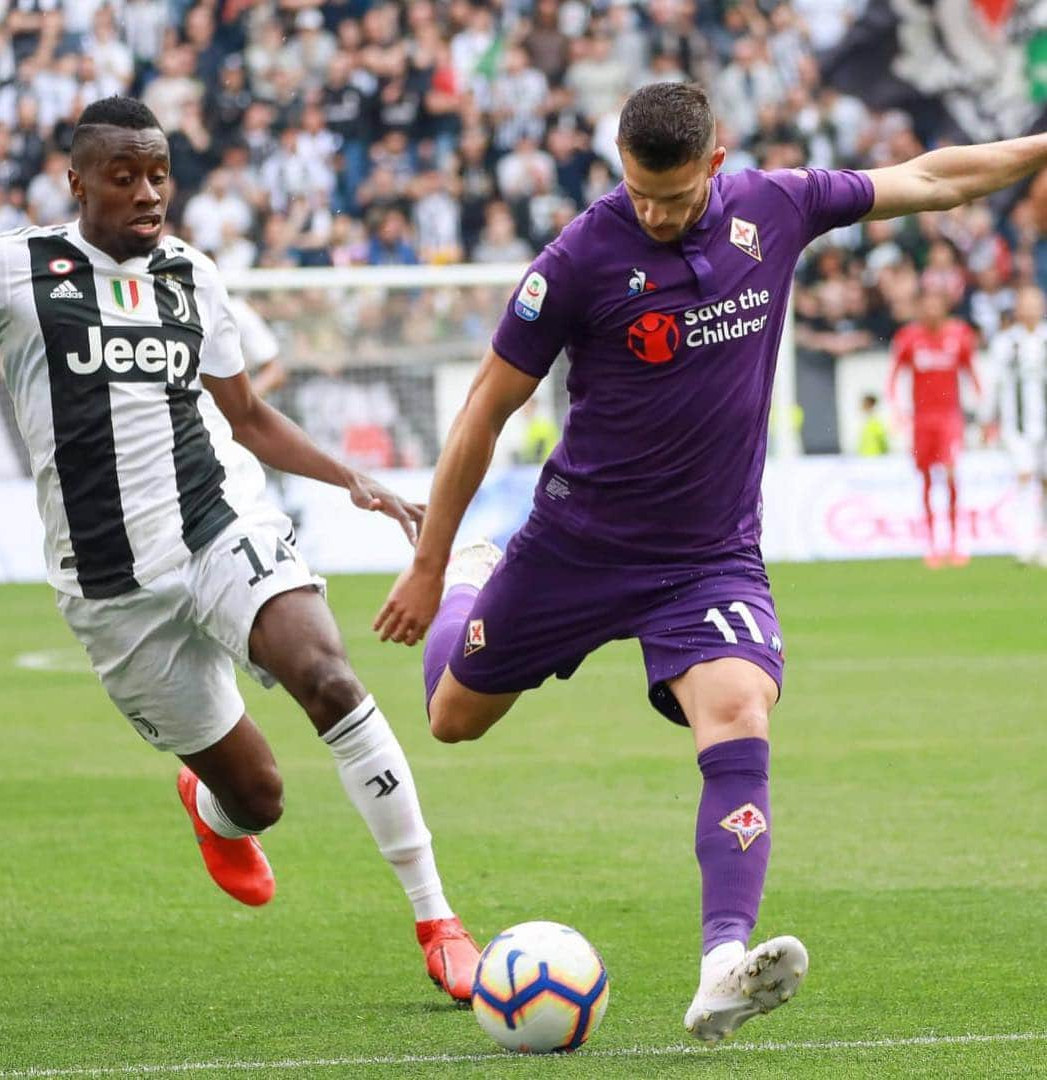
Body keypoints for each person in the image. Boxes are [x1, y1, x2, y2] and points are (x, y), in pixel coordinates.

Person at [373, 80, 1047, 1042]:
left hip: (708, 557)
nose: (652, 213)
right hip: (577, 546)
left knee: (738, 711)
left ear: (716, 164)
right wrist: (434, 563)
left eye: (675, 197)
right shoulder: (576, 260)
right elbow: (486, 407)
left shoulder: (779, 207)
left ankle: (724, 960)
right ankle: (481, 578)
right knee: (453, 720)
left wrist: (1039, 146)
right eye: (638, 193)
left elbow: (934, 178)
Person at [0, 97, 480, 1002]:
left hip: (217, 523)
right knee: (260, 798)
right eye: (123, 177)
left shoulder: (191, 277)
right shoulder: (15, 272)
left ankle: (438, 918)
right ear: (77, 182)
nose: (147, 192)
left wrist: (348, 480)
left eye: (159, 173)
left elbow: (244, 415)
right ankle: (213, 810)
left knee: (330, 677)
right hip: (113, 587)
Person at [887, 287, 980, 567]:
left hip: (949, 417)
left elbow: (971, 372)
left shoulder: (960, 334)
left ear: (944, 307)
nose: (931, 311)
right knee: (926, 479)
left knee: (951, 475)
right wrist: (897, 412)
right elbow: (894, 377)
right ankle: (930, 544)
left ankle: (955, 542)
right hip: (921, 419)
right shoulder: (908, 338)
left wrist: (983, 411)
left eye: (935, 305)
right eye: (925, 306)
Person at [981, 283, 1047, 565]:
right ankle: (1024, 543)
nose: (1031, 309)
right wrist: (986, 419)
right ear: (1018, 309)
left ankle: (1043, 544)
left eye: (1036, 303)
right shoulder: (1005, 342)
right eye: (1026, 304)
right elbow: (993, 384)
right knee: (1024, 477)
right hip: (1017, 426)